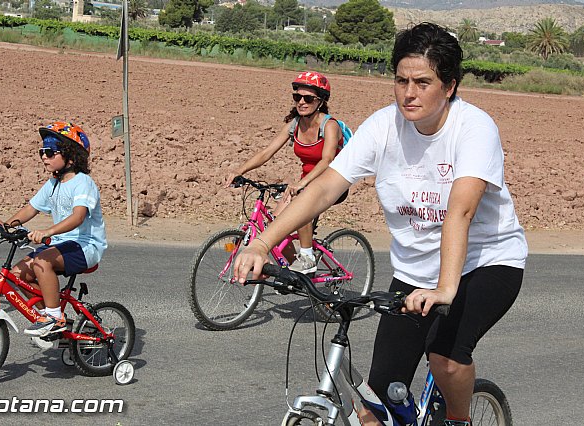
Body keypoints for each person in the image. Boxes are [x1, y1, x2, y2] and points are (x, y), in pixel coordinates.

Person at [233, 22, 527, 426]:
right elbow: (324, 187)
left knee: (445, 355)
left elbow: (460, 210)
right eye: (401, 80)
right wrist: (262, 244)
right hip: (413, 270)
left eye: (423, 82)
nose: (409, 93)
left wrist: (445, 288)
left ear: (450, 86)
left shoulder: (474, 128)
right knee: (376, 404)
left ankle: (459, 419)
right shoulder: (383, 126)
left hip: (485, 261)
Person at [0, 121, 107, 338]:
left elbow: (78, 216)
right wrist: (6, 225)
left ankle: (54, 318)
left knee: (42, 262)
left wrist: (48, 232)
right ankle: (47, 317)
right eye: (42, 152)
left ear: (71, 156)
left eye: (50, 152)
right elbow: (30, 209)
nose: (44, 157)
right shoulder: (53, 184)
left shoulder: (83, 183)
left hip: (85, 245)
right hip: (61, 245)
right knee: (18, 274)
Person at [225, 71, 345, 274]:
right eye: (297, 97)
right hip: (306, 180)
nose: (301, 102)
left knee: (304, 202)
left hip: (333, 182)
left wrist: (302, 184)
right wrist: (239, 169)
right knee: (276, 224)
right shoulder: (295, 124)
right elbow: (267, 152)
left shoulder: (329, 125)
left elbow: (327, 160)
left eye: (308, 98)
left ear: (321, 101)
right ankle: (294, 273)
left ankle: (307, 257)